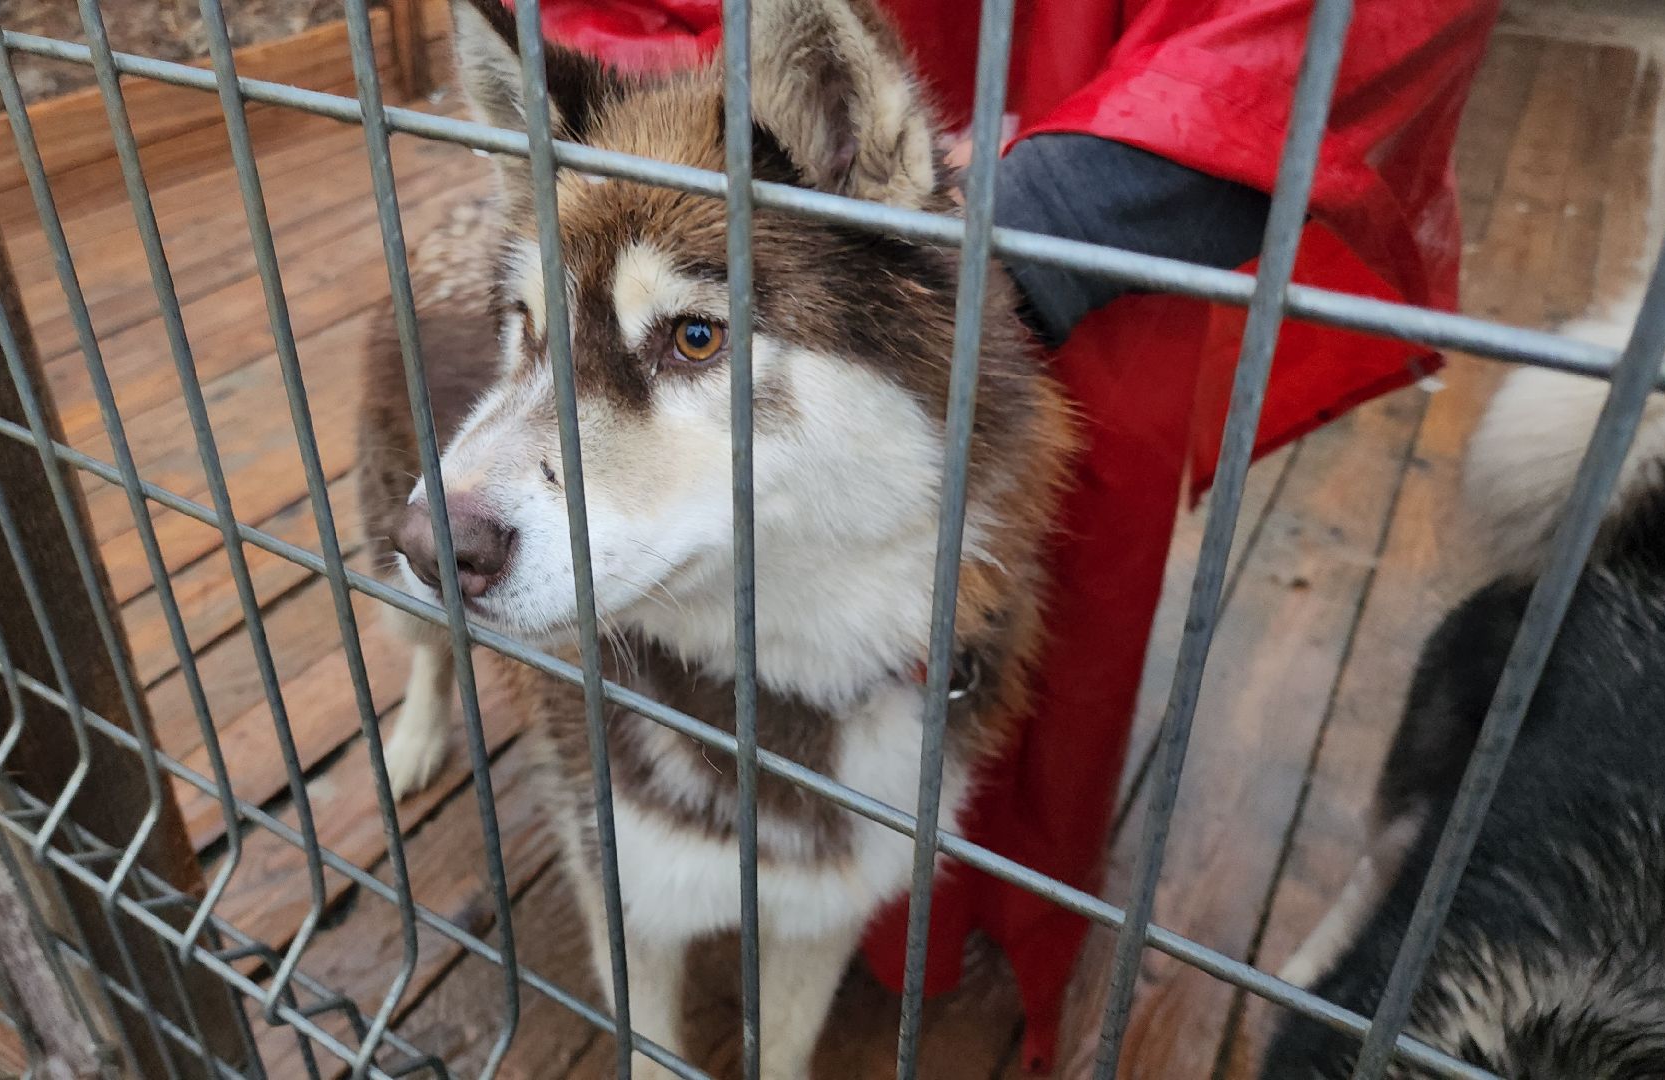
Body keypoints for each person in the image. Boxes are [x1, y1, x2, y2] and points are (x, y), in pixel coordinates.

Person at [494, 0, 1500, 1069]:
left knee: (1019, 671)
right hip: (766, 203)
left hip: (1087, 251)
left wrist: (1030, 223)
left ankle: (969, 932)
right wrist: (678, 146)